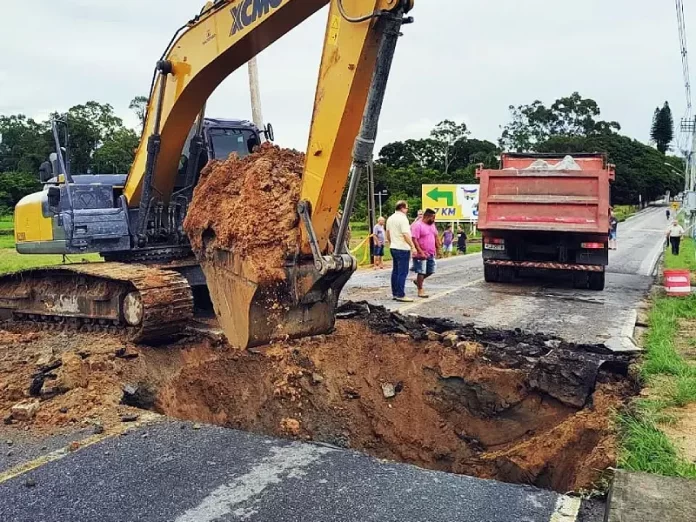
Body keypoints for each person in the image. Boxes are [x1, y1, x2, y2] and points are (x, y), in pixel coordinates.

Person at [386, 201, 417, 302]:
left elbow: (388, 233)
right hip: (402, 248)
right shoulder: (403, 219)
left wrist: (392, 242)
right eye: (407, 208)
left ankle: (395, 293)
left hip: (393, 247)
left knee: (395, 271)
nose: (407, 210)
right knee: (403, 272)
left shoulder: (390, 218)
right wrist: (412, 246)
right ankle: (400, 294)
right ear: (402, 208)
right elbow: (405, 234)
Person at [411, 209, 441, 298]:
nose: (434, 219)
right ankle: (420, 290)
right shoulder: (417, 225)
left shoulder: (432, 225)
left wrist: (438, 248)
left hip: (431, 253)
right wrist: (420, 251)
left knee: (431, 270)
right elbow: (414, 239)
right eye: (433, 218)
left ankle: (418, 281)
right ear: (427, 216)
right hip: (421, 253)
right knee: (421, 271)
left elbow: (435, 236)